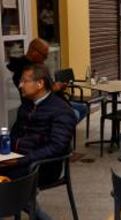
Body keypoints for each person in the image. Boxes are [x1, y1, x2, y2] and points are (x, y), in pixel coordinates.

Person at [0, 64, 77, 219]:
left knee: (9, 185)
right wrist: (6, 153)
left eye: (24, 81)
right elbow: (15, 135)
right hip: (20, 161)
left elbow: (58, 147)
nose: (20, 85)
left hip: (44, 166)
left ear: (40, 84)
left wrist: (22, 160)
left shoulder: (62, 110)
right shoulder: (27, 105)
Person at [7, 38, 87, 122]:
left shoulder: (37, 65)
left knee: (83, 108)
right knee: (74, 114)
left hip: (56, 100)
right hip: (43, 106)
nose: (45, 59)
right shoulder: (24, 70)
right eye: (44, 56)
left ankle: (61, 127)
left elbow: (45, 84)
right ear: (34, 53)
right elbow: (33, 94)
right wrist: (54, 88)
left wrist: (55, 85)